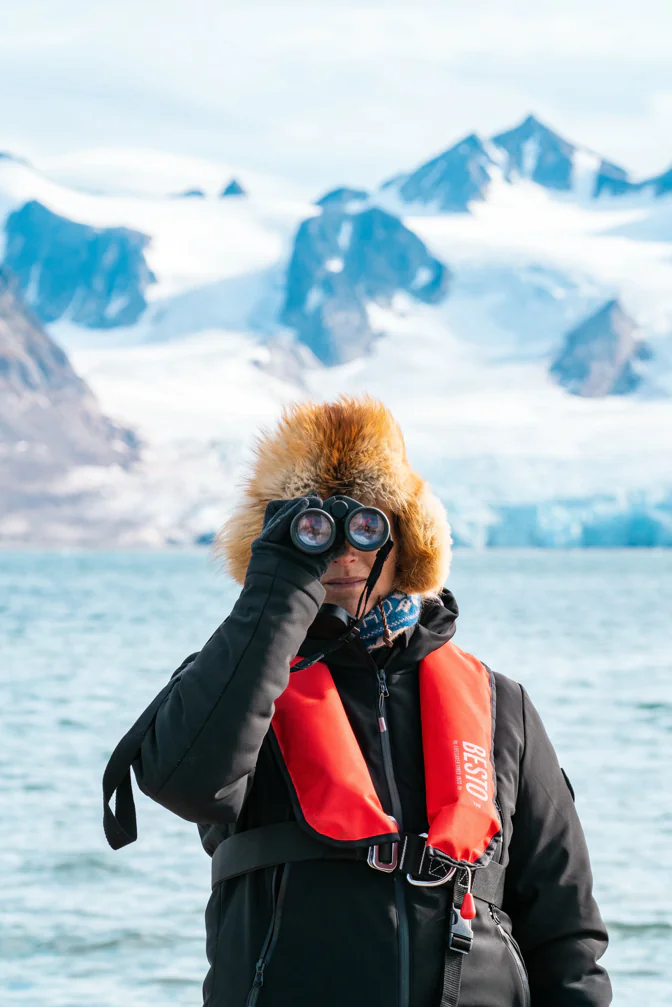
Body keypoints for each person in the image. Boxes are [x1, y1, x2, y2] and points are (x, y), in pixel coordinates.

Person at [103, 395, 611, 1007]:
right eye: (314, 530)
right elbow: (187, 784)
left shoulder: (501, 704)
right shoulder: (235, 683)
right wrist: (277, 591)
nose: (344, 553)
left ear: (409, 536)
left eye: (369, 526)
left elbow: (567, 935)